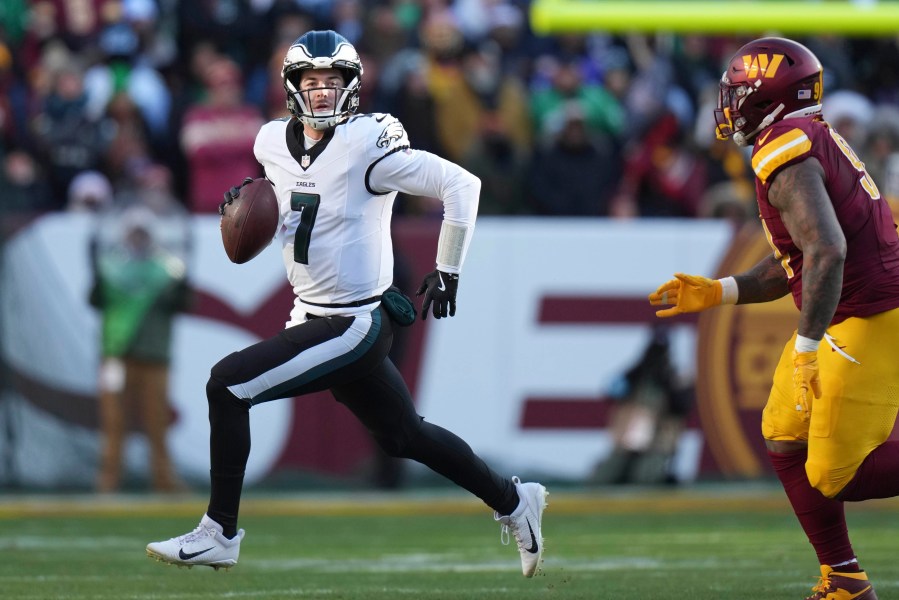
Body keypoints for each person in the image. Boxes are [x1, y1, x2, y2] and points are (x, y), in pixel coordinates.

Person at [146, 30, 547, 578]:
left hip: (355, 321)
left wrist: (448, 268)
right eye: (310, 82)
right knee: (405, 435)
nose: (321, 93)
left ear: (352, 87)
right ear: (291, 88)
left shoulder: (367, 143)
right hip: (309, 311)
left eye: (333, 82)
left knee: (227, 384)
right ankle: (515, 501)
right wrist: (253, 220)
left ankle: (220, 532)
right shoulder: (269, 143)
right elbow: (297, 213)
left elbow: (462, 186)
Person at [649, 37, 899, 600]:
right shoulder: (803, 135)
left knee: (838, 473)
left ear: (767, 97)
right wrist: (720, 291)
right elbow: (801, 255)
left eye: (737, 93)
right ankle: (844, 580)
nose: (728, 104)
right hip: (853, 309)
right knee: (783, 434)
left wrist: (808, 346)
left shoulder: (780, 146)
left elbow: (826, 250)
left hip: (871, 313)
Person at [89, 203, 191, 493]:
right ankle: (107, 482)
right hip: (116, 355)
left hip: (154, 357)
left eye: (142, 233)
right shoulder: (112, 268)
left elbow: (184, 304)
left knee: (157, 423)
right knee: (112, 422)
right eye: (133, 233)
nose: (137, 238)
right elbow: (95, 300)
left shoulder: (166, 271)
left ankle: (164, 481)